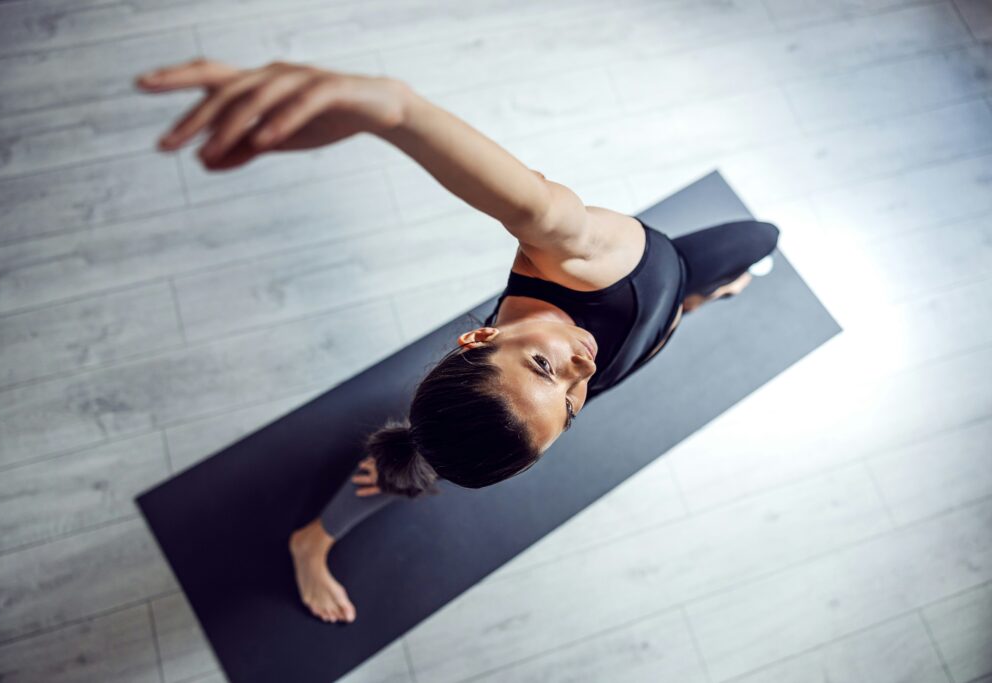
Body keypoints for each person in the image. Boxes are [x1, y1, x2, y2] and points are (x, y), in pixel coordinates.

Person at [135, 58, 780, 625]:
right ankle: (313, 540)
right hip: (664, 299)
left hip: (670, 280)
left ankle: (696, 300)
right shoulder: (581, 374)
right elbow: (578, 376)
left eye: (543, 365)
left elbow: (533, 204)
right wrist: (581, 381)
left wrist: (395, 111)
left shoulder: (578, 255)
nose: (584, 366)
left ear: (480, 337)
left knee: (759, 240)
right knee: (434, 455)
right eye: (569, 406)